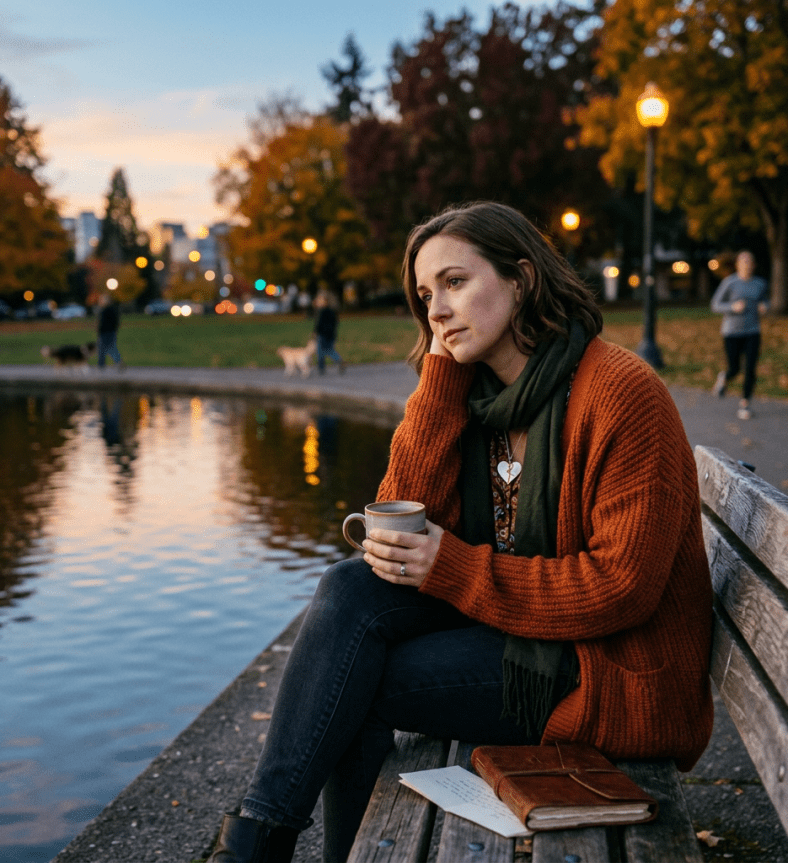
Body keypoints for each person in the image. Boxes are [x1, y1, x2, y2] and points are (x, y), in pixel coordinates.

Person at [208, 202, 714, 863]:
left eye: (453, 282)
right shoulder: (477, 396)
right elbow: (396, 514)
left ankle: (262, 845)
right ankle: (262, 834)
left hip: (606, 672)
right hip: (530, 638)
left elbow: (620, 588)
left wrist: (450, 566)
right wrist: (439, 380)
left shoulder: (618, 392)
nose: (435, 311)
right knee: (350, 587)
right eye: (423, 294)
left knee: (349, 686)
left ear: (521, 279)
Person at [710, 251, 769, 419]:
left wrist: (764, 306)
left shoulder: (760, 283)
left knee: (750, 368)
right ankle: (725, 377)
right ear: (737, 265)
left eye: (750, 262)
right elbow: (715, 305)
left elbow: (765, 300)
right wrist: (732, 307)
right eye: (743, 262)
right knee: (735, 368)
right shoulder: (730, 283)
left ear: (754, 265)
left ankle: (745, 404)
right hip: (731, 332)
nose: (747, 265)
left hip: (752, 331)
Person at [313, 292, 344, 374]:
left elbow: (319, 324)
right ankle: (338, 360)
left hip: (323, 334)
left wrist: (316, 332)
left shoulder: (322, 312)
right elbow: (336, 322)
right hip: (332, 333)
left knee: (321, 351)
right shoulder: (332, 311)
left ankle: (321, 368)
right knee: (329, 349)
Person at [97, 292, 123, 369]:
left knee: (105, 348)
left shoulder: (106, 310)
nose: (100, 302)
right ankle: (117, 362)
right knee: (110, 348)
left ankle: (102, 364)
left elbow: (103, 322)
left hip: (106, 332)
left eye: (102, 300)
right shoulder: (113, 309)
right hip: (110, 331)